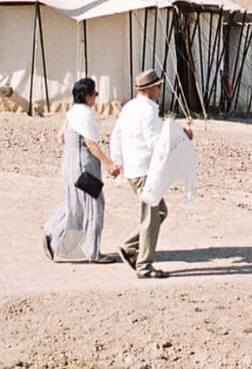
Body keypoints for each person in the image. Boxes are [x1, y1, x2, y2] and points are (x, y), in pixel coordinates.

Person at [110, 68, 188, 279]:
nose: (160, 90)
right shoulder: (148, 110)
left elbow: (116, 135)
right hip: (145, 170)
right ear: (152, 88)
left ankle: (128, 248)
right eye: (159, 87)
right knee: (151, 218)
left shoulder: (130, 107)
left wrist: (117, 161)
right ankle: (144, 265)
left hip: (134, 169)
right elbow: (154, 141)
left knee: (159, 213)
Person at [43, 78, 113, 262]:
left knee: (76, 202)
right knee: (93, 204)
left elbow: (61, 136)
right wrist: (108, 163)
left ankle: (53, 230)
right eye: (95, 94)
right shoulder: (86, 115)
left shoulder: (72, 112)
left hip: (70, 161)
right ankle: (92, 252)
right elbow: (90, 143)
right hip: (84, 164)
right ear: (88, 96)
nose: (96, 98)